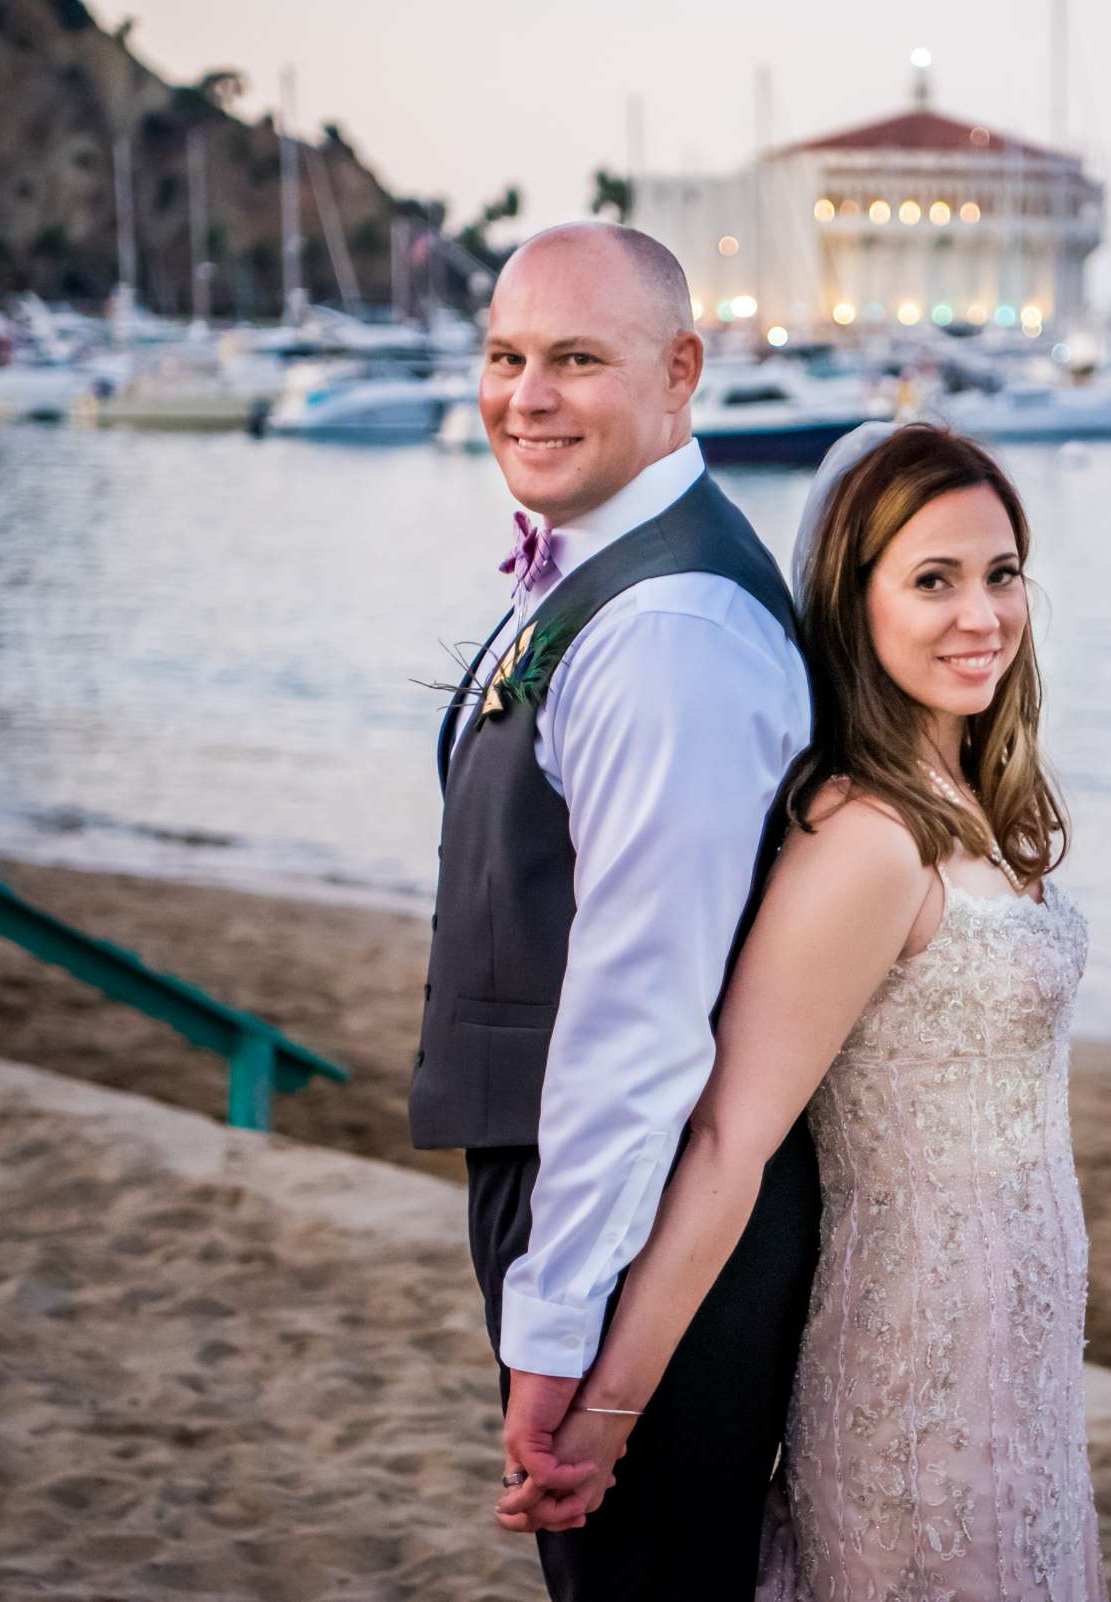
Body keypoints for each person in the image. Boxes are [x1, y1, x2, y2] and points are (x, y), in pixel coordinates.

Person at [503, 423, 1107, 1600]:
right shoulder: (867, 841)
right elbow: (733, 1137)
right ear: (853, 599)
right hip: (916, 1353)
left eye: (1000, 573)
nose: (979, 615)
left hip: (1018, 1340)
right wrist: (606, 1410)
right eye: (932, 581)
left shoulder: (964, 800)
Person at [409, 221, 819, 1601]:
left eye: (576, 359)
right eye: (506, 355)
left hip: (636, 1219)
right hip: (587, 1185)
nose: (526, 395)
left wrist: (559, 1321)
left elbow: (641, 1022)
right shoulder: (608, 572)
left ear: (681, 371)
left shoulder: (672, 636)